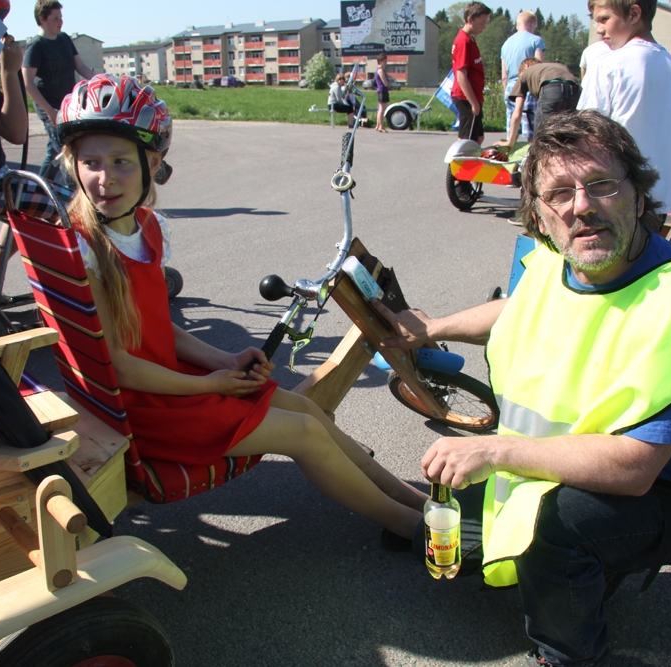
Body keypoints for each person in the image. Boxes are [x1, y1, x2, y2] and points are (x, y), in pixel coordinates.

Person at [376, 110, 671, 667]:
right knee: (445, 524)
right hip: (561, 466)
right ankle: (535, 560)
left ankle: (569, 653)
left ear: (638, 195)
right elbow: (517, 309)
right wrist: (432, 328)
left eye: (601, 184)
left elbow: (635, 470)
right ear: (538, 213)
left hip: (655, 498)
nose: (581, 206)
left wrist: (495, 451)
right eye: (559, 193)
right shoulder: (554, 263)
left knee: (556, 526)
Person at [55, 74, 427, 545]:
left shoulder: (145, 227)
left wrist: (225, 361)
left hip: (171, 388)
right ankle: (413, 528)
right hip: (143, 412)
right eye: (90, 162)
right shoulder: (84, 248)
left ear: (153, 164)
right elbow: (120, 366)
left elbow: (157, 328)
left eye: (121, 161)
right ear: (72, 164)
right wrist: (208, 383)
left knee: (306, 410)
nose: (104, 178)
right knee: (303, 434)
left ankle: (415, 500)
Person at [0, 0, 73, 293]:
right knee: (72, 204)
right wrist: (9, 71)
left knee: (25, 195)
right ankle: (80, 282)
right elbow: (17, 132)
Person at [577, 0, 671, 224]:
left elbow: (584, 140)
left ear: (634, 14)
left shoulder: (608, 66)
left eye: (604, 19)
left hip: (611, 199)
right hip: (657, 200)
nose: (599, 29)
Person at [23, 0, 94, 184]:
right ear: (42, 19)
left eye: (61, 18)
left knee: (54, 151)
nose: (60, 22)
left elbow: (80, 66)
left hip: (68, 104)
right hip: (50, 106)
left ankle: (39, 187)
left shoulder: (64, 39)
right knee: (67, 150)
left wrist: (100, 80)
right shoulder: (36, 45)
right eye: (55, 18)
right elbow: (28, 83)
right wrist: (49, 111)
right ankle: (74, 192)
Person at [497, 58, 581, 155]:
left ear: (526, 66)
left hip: (551, 88)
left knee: (541, 136)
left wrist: (510, 142)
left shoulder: (526, 73)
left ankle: (539, 159)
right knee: (566, 133)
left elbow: (517, 113)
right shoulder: (556, 66)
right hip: (575, 89)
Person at [501, 11, 546, 144]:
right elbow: (539, 67)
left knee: (512, 131)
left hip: (510, 87)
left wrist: (506, 90)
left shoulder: (506, 43)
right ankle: (533, 154)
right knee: (531, 132)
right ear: (531, 23)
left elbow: (504, 75)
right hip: (528, 86)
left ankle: (509, 150)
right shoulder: (536, 40)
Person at [451, 2, 492, 145]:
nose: (483, 27)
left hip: (474, 96)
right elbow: (461, 75)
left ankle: (471, 159)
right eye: (481, 23)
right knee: (466, 141)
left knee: (478, 138)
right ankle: (458, 160)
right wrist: (473, 103)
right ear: (470, 20)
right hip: (466, 97)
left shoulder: (470, 40)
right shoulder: (463, 41)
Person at [374, 53, 391, 132]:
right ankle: (381, 126)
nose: (386, 62)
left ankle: (378, 125)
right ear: (380, 61)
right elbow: (385, 82)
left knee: (380, 108)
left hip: (381, 90)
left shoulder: (379, 69)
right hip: (382, 90)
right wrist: (390, 83)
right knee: (382, 109)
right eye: (385, 61)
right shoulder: (380, 70)